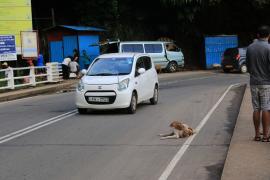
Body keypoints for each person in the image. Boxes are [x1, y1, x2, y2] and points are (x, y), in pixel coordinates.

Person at [246, 25, 270, 142]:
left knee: (256, 108)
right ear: (269, 35)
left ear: (258, 35)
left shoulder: (250, 48)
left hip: (253, 82)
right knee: (266, 108)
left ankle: (257, 135)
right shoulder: (269, 48)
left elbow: (249, 67)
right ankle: (266, 136)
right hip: (266, 83)